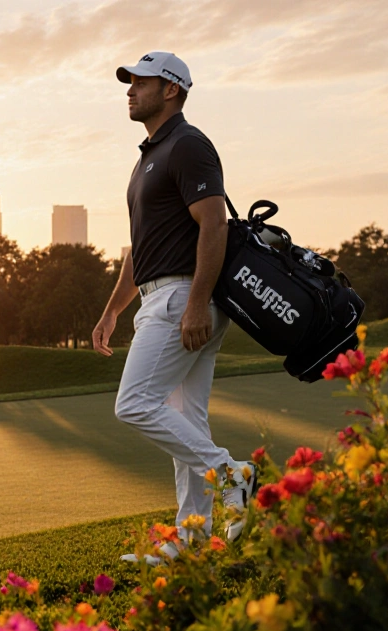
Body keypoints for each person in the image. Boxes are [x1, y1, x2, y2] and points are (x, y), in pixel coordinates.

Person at [91, 51, 256, 565]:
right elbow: (139, 248)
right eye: (129, 82)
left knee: (135, 403)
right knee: (186, 416)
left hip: (184, 298)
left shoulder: (188, 145)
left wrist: (197, 304)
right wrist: (113, 308)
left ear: (171, 90)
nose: (130, 90)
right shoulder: (147, 158)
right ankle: (191, 538)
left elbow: (215, 225)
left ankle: (232, 473)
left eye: (140, 82)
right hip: (160, 296)